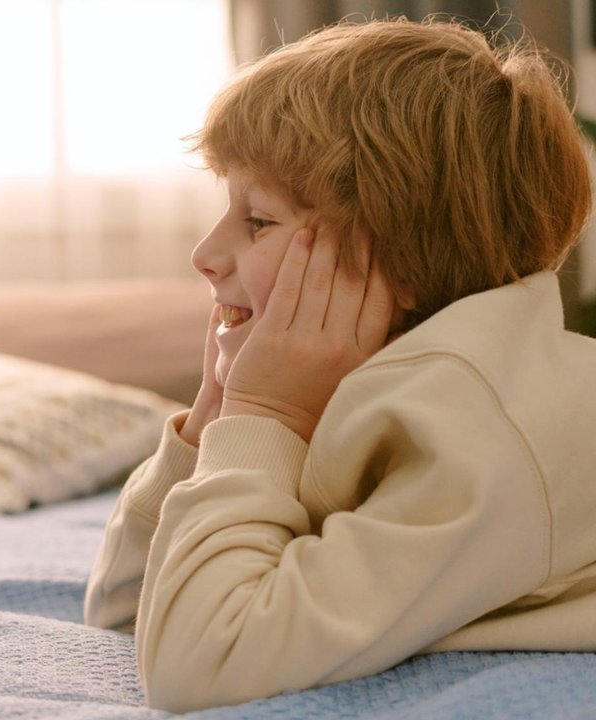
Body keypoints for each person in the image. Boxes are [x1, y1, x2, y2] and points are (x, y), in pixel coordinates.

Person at [83, 16, 596, 713]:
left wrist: (266, 416)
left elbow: (200, 662)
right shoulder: (370, 380)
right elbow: (126, 613)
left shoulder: (475, 426)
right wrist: (213, 421)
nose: (205, 253)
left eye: (258, 220)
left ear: (401, 265)